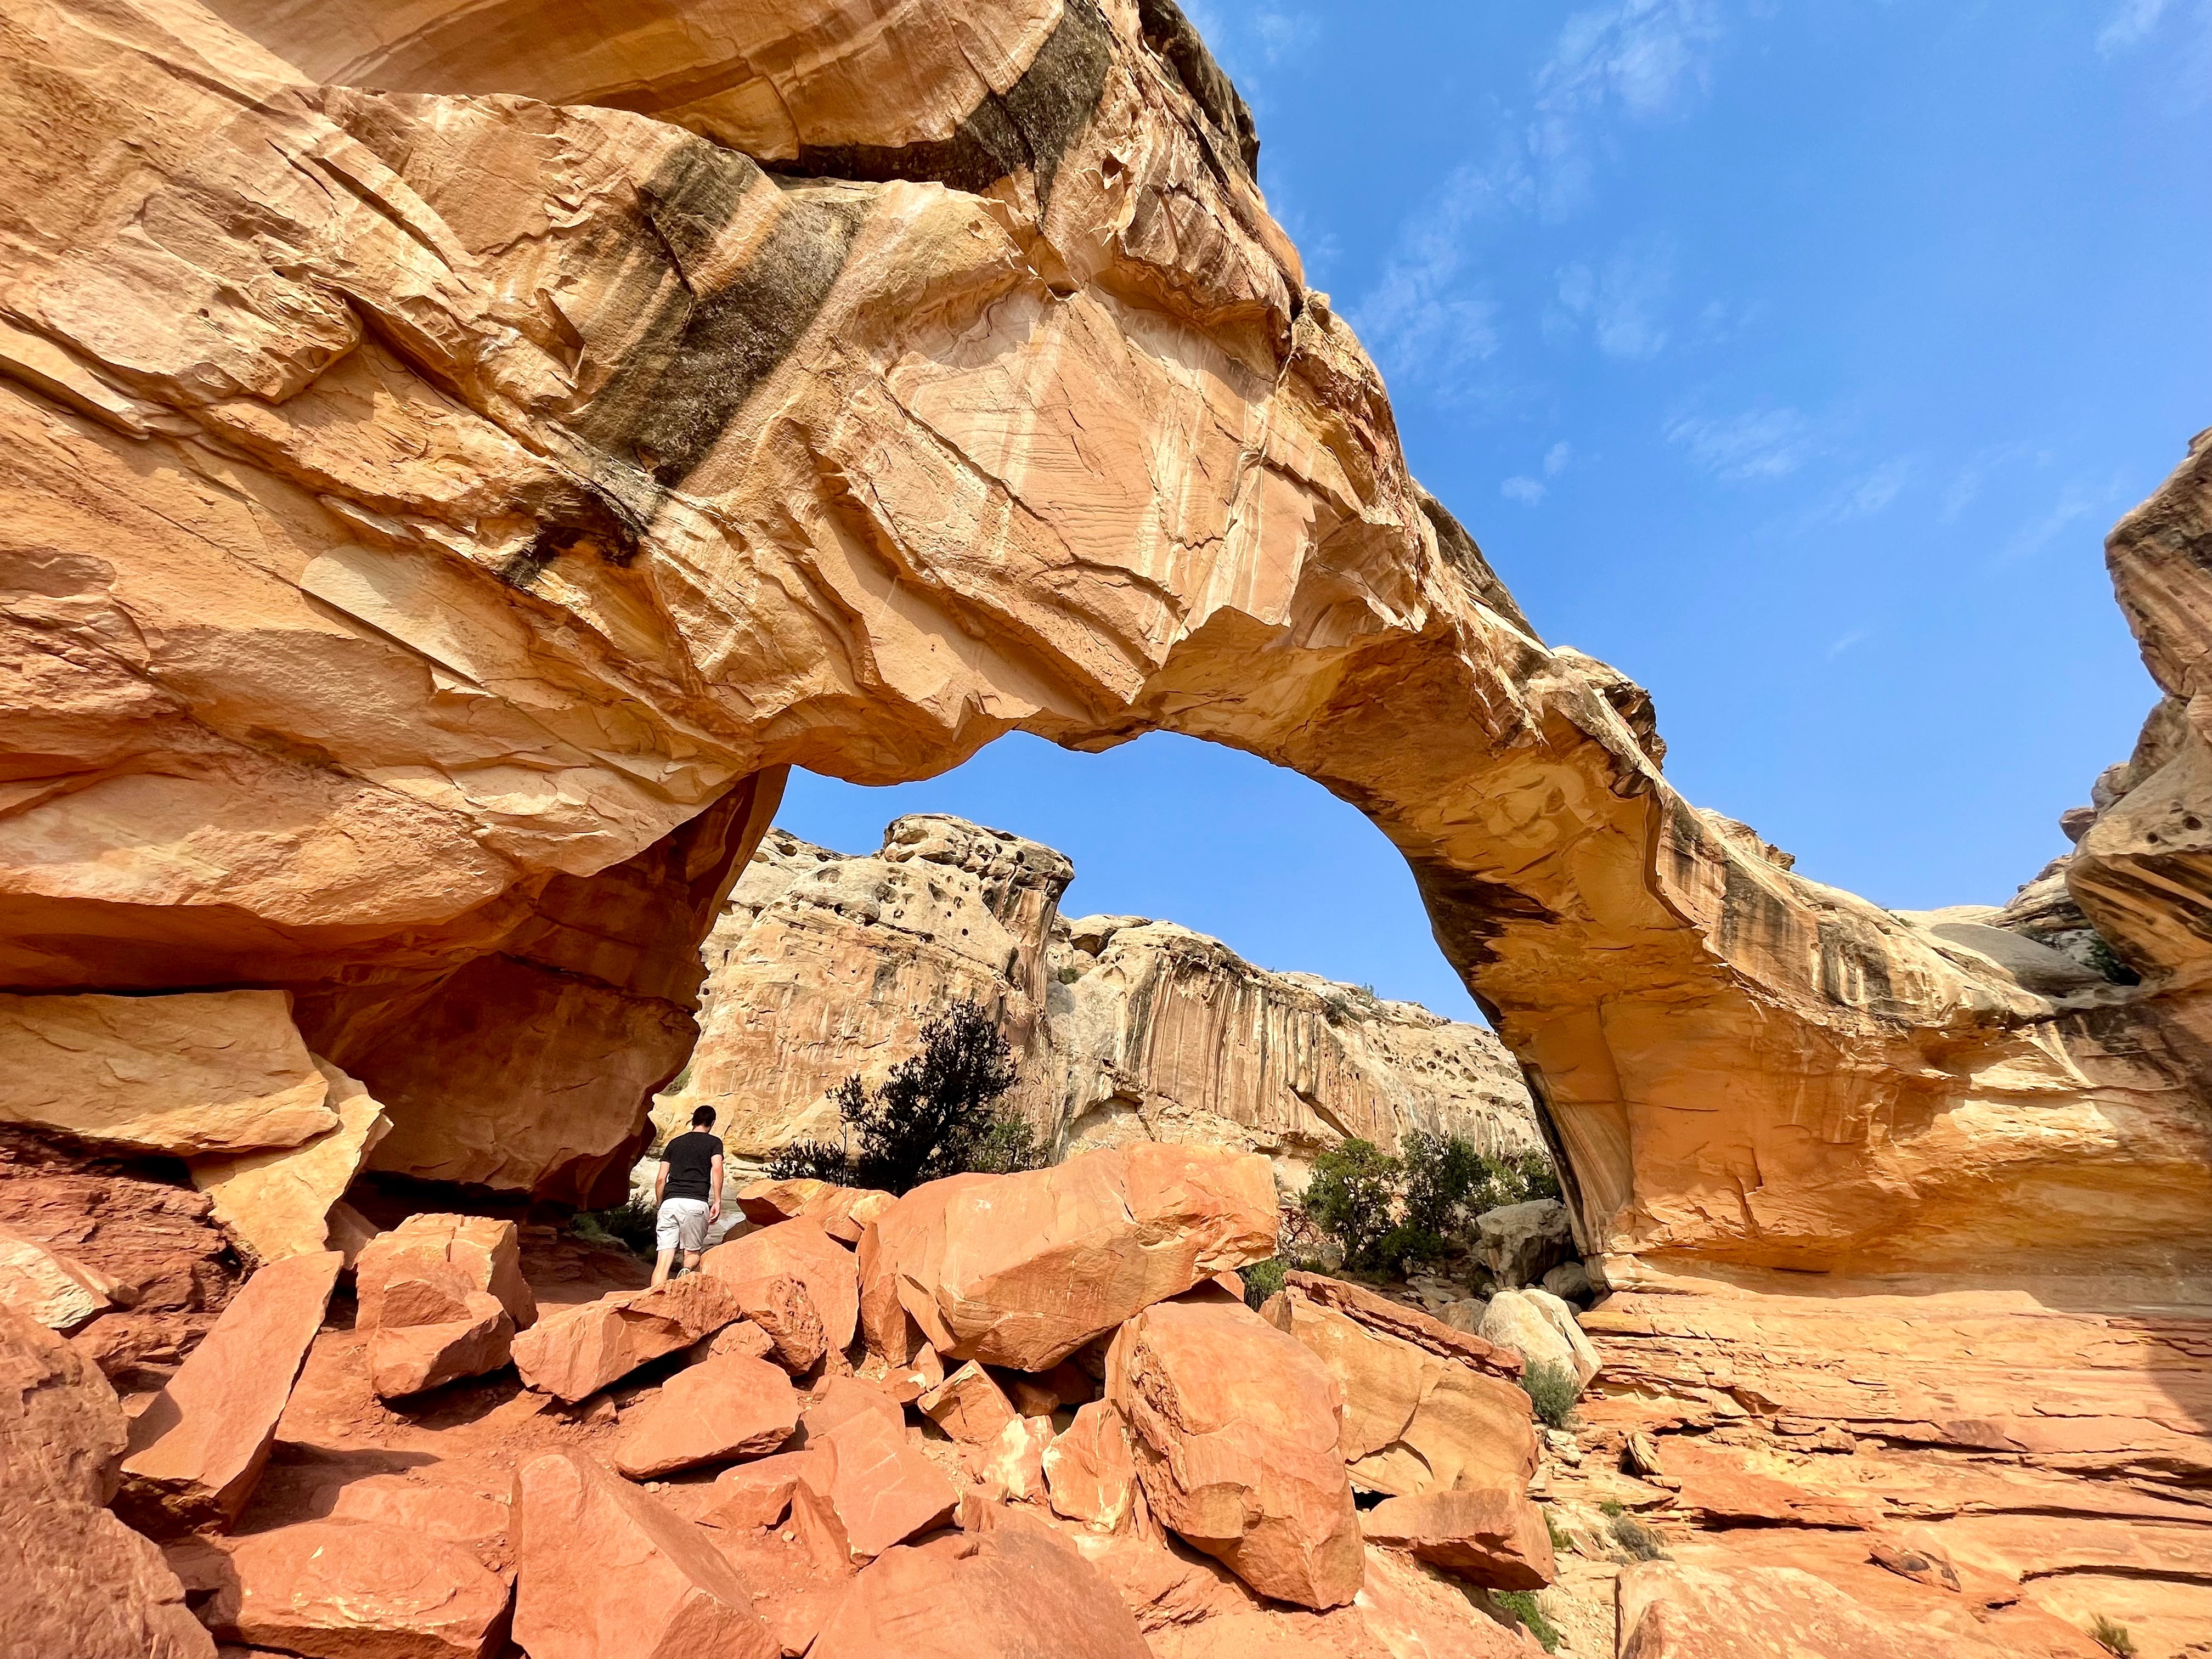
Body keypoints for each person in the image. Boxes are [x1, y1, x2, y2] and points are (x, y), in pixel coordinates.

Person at [651, 1105, 724, 1286]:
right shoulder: (714, 1143)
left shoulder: (674, 1143)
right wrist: (718, 1200)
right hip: (695, 1202)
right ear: (712, 1123)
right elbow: (717, 1168)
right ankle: (686, 1272)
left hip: (670, 1203)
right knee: (692, 1253)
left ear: (693, 1121)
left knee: (662, 1261)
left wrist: (661, 1204)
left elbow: (661, 1179)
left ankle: (653, 1301)